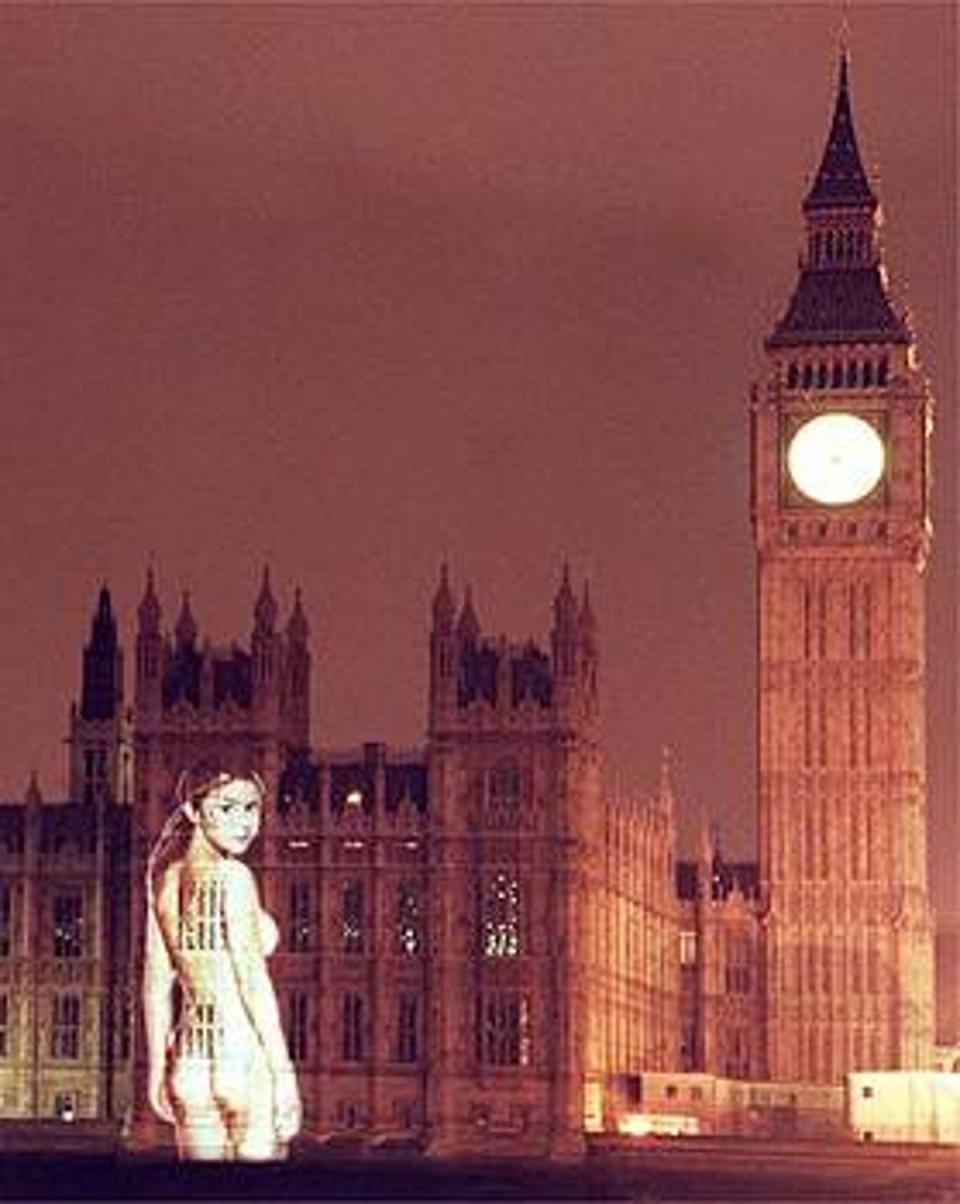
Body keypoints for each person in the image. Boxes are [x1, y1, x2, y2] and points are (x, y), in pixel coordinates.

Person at [143, 768, 301, 1160]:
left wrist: (156, 1070)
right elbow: (252, 980)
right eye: (227, 808)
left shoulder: (163, 881)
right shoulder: (234, 877)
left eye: (251, 808)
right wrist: (283, 1075)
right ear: (193, 811)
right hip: (243, 1058)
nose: (244, 821)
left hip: (189, 1066)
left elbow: (156, 986)